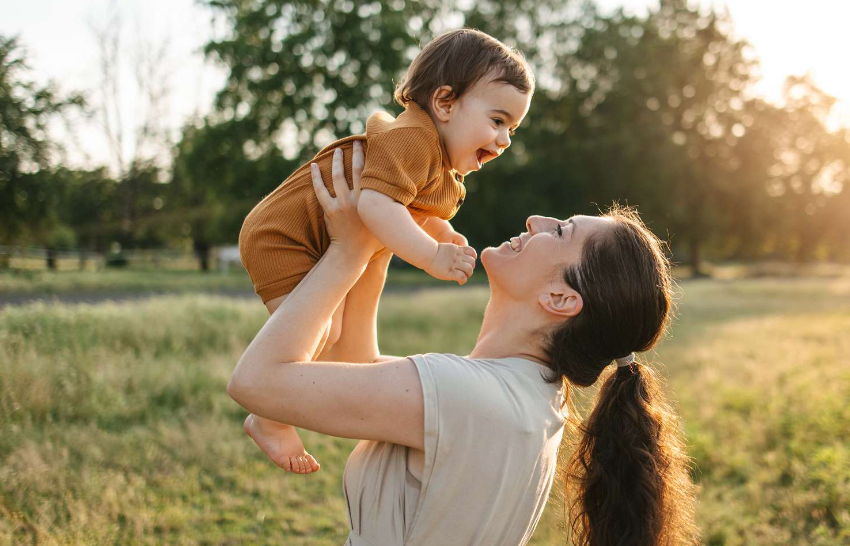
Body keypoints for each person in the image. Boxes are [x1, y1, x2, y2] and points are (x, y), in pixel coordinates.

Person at [227, 145, 698, 545]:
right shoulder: (521, 395)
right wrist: (379, 234)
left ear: (560, 298)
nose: (537, 219)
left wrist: (347, 251)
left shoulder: (470, 396)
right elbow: (352, 364)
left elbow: (256, 383)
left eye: (560, 231)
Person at [237, 28, 534, 471]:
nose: (505, 139)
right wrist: (431, 255)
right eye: (497, 121)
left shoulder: (436, 161)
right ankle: (268, 417)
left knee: (333, 335)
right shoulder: (413, 140)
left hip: (315, 238)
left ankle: (272, 411)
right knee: (319, 332)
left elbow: (406, 205)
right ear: (446, 103)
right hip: (284, 235)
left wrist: (439, 231)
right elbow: (376, 204)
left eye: (511, 127)